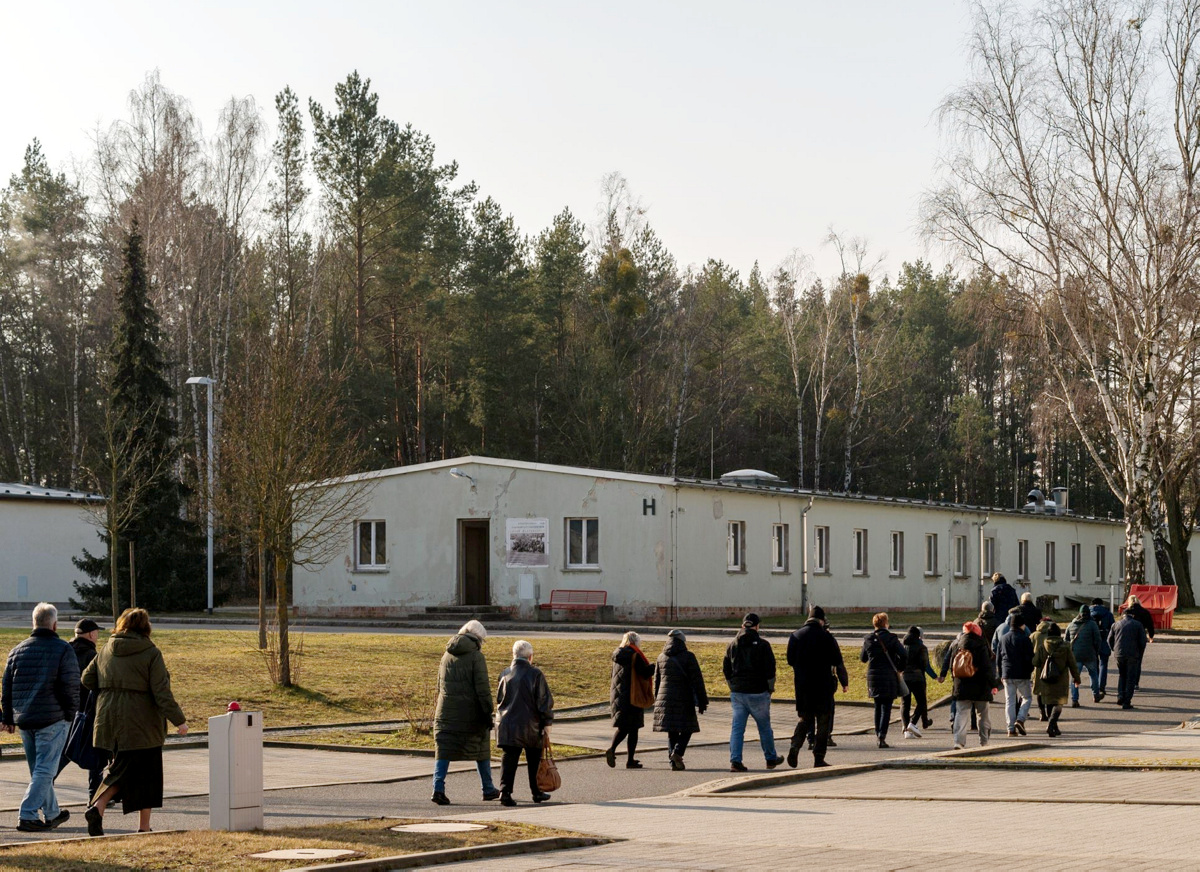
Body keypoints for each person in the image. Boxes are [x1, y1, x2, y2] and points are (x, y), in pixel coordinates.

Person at [81, 608, 187, 837]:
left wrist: (111, 688)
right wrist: (179, 720)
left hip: (108, 720)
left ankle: (140, 825)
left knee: (123, 768)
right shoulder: (150, 652)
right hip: (142, 723)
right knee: (143, 773)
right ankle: (99, 809)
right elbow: (161, 691)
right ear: (145, 627)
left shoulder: (107, 648)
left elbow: (87, 678)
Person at [2, 602, 79, 832]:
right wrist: (71, 715)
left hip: (25, 719)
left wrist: (8, 716)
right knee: (45, 770)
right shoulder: (63, 649)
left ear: (34, 623)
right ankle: (27, 814)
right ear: (54, 624)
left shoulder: (16, 651)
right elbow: (71, 686)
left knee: (39, 769)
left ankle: (52, 812)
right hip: (53, 719)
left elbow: (7, 687)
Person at [430, 620, 498, 805]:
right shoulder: (476, 657)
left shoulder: (446, 654)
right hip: (470, 715)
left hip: (445, 714)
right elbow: (482, 690)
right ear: (478, 639)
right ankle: (488, 788)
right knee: (481, 748)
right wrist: (488, 713)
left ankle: (438, 789)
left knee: (443, 750)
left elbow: (439, 685)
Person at [786, 606, 848, 768]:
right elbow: (837, 659)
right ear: (821, 620)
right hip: (823, 686)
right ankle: (818, 757)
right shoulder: (827, 637)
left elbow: (790, 660)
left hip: (803, 686)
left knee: (805, 719)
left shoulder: (795, 636)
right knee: (823, 722)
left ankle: (795, 746)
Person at [495, 640, 554, 806]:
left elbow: (499, 699)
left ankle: (505, 792)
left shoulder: (504, 674)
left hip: (507, 723)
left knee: (509, 758)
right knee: (534, 758)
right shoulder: (536, 674)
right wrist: (547, 723)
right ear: (530, 657)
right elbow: (544, 701)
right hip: (531, 724)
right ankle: (536, 791)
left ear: (514, 655)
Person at [723, 613, 783, 771]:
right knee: (764, 727)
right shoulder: (763, 645)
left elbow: (726, 669)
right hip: (758, 691)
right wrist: (770, 688)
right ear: (757, 626)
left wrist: (732, 685)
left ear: (743, 625)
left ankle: (735, 761)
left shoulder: (732, 645)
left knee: (737, 728)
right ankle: (770, 758)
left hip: (738, 693)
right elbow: (770, 669)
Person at [57, 618, 108, 801]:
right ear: (91, 634)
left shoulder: (64, 652)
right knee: (93, 750)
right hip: (88, 711)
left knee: (66, 751)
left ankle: (45, 786)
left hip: (65, 710)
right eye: (97, 633)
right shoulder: (93, 656)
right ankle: (94, 795)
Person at [652, 630, 708, 771]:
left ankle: (673, 763)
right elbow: (697, 680)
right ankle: (677, 753)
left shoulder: (661, 657)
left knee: (672, 731)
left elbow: (656, 681)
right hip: (684, 698)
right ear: (683, 642)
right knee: (688, 728)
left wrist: (656, 700)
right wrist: (702, 701)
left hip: (664, 699)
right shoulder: (688, 657)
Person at [939, 621, 995, 749]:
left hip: (961, 685)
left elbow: (951, 665)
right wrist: (993, 684)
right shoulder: (981, 644)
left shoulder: (956, 644)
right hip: (980, 686)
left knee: (961, 714)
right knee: (983, 715)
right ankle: (984, 742)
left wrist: (955, 681)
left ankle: (958, 741)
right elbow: (986, 667)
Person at [607, 631, 655, 769]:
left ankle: (614, 750)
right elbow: (644, 672)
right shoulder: (635, 655)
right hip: (633, 696)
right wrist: (653, 667)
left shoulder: (617, 655)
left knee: (624, 727)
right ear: (635, 641)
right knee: (633, 729)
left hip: (618, 696)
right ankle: (628, 759)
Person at [860, 613, 906, 749]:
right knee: (886, 707)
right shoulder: (891, 638)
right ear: (886, 623)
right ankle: (882, 736)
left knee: (877, 705)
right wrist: (900, 668)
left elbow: (863, 658)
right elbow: (904, 654)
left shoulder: (868, 638)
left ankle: (877, 733)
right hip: (888, 675)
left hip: (873, 676)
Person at [1032, 622, 1080, 736]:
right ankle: (1052, 724)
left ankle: (1053, 726)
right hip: (1061, 680)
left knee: (1049, 703)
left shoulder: (1042, 646)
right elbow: (1072, 664)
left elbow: (1035, 662)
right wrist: (1076, 678)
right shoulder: (1066, 647)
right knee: (1058, 704)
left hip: (1046, 679)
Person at [996, 611, 1033, 736]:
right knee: (1027, 698)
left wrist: (1001, 674)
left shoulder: (1003, 638)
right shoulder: (1025, 639)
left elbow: (998, 659)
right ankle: (1020, 719)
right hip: (1022, 673)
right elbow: (1030, 657)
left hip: (1007, 673)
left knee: (1009, 701)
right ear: (1021, 625)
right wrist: (1030, 671)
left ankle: (1010, 728)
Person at [900, 627, 937, 738]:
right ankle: (913, 723)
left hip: (904, 677)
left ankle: (906, 729)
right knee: (921, 702)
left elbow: (899, 661)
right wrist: (934, 676)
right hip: (917, 678)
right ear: (918, 635)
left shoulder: (902, 647)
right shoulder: (922, 647)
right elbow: (925, 665)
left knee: (905, 704)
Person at [1108, 608, 1148, 709]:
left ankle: (1120, 695)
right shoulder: (1138, 625)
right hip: (1132, 654)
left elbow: (1109, 640)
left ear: (1123, 615)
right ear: (1132, 615)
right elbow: (1143, 641)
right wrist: (1139, 652)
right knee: (1131, 678)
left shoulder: (1115, 624)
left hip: (1119, 654)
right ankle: (1127, 701)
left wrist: (1114, 649)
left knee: (1122, 675)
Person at [1064, 605, 1102, 706]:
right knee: (1093, 675)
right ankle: (1096, 694)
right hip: (1090, 654)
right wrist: (1096, 651)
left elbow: (1066, 640)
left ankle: (1075, 699)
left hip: (1075, 655)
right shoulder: (1092, 624)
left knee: (1075, 677)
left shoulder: (1071, 624)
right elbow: (1098, 640)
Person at [1029, 616, 1054, 720]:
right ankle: (1049, 712)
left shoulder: (1033, 635)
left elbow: (1028, 650)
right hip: (1050, 665)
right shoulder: (1051, 635)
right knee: (1050, 690)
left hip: (1037, 666)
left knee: (1039, 690)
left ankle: (1042, 712)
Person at [1090, 598, 1116, 695]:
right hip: (1105, 640)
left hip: (1092, 642)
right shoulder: (1108, 614)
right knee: (1103, 664)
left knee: (1093, 665)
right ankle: (1102, 686)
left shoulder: (1088, 613)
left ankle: (1095, 685)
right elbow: (1113, 629)